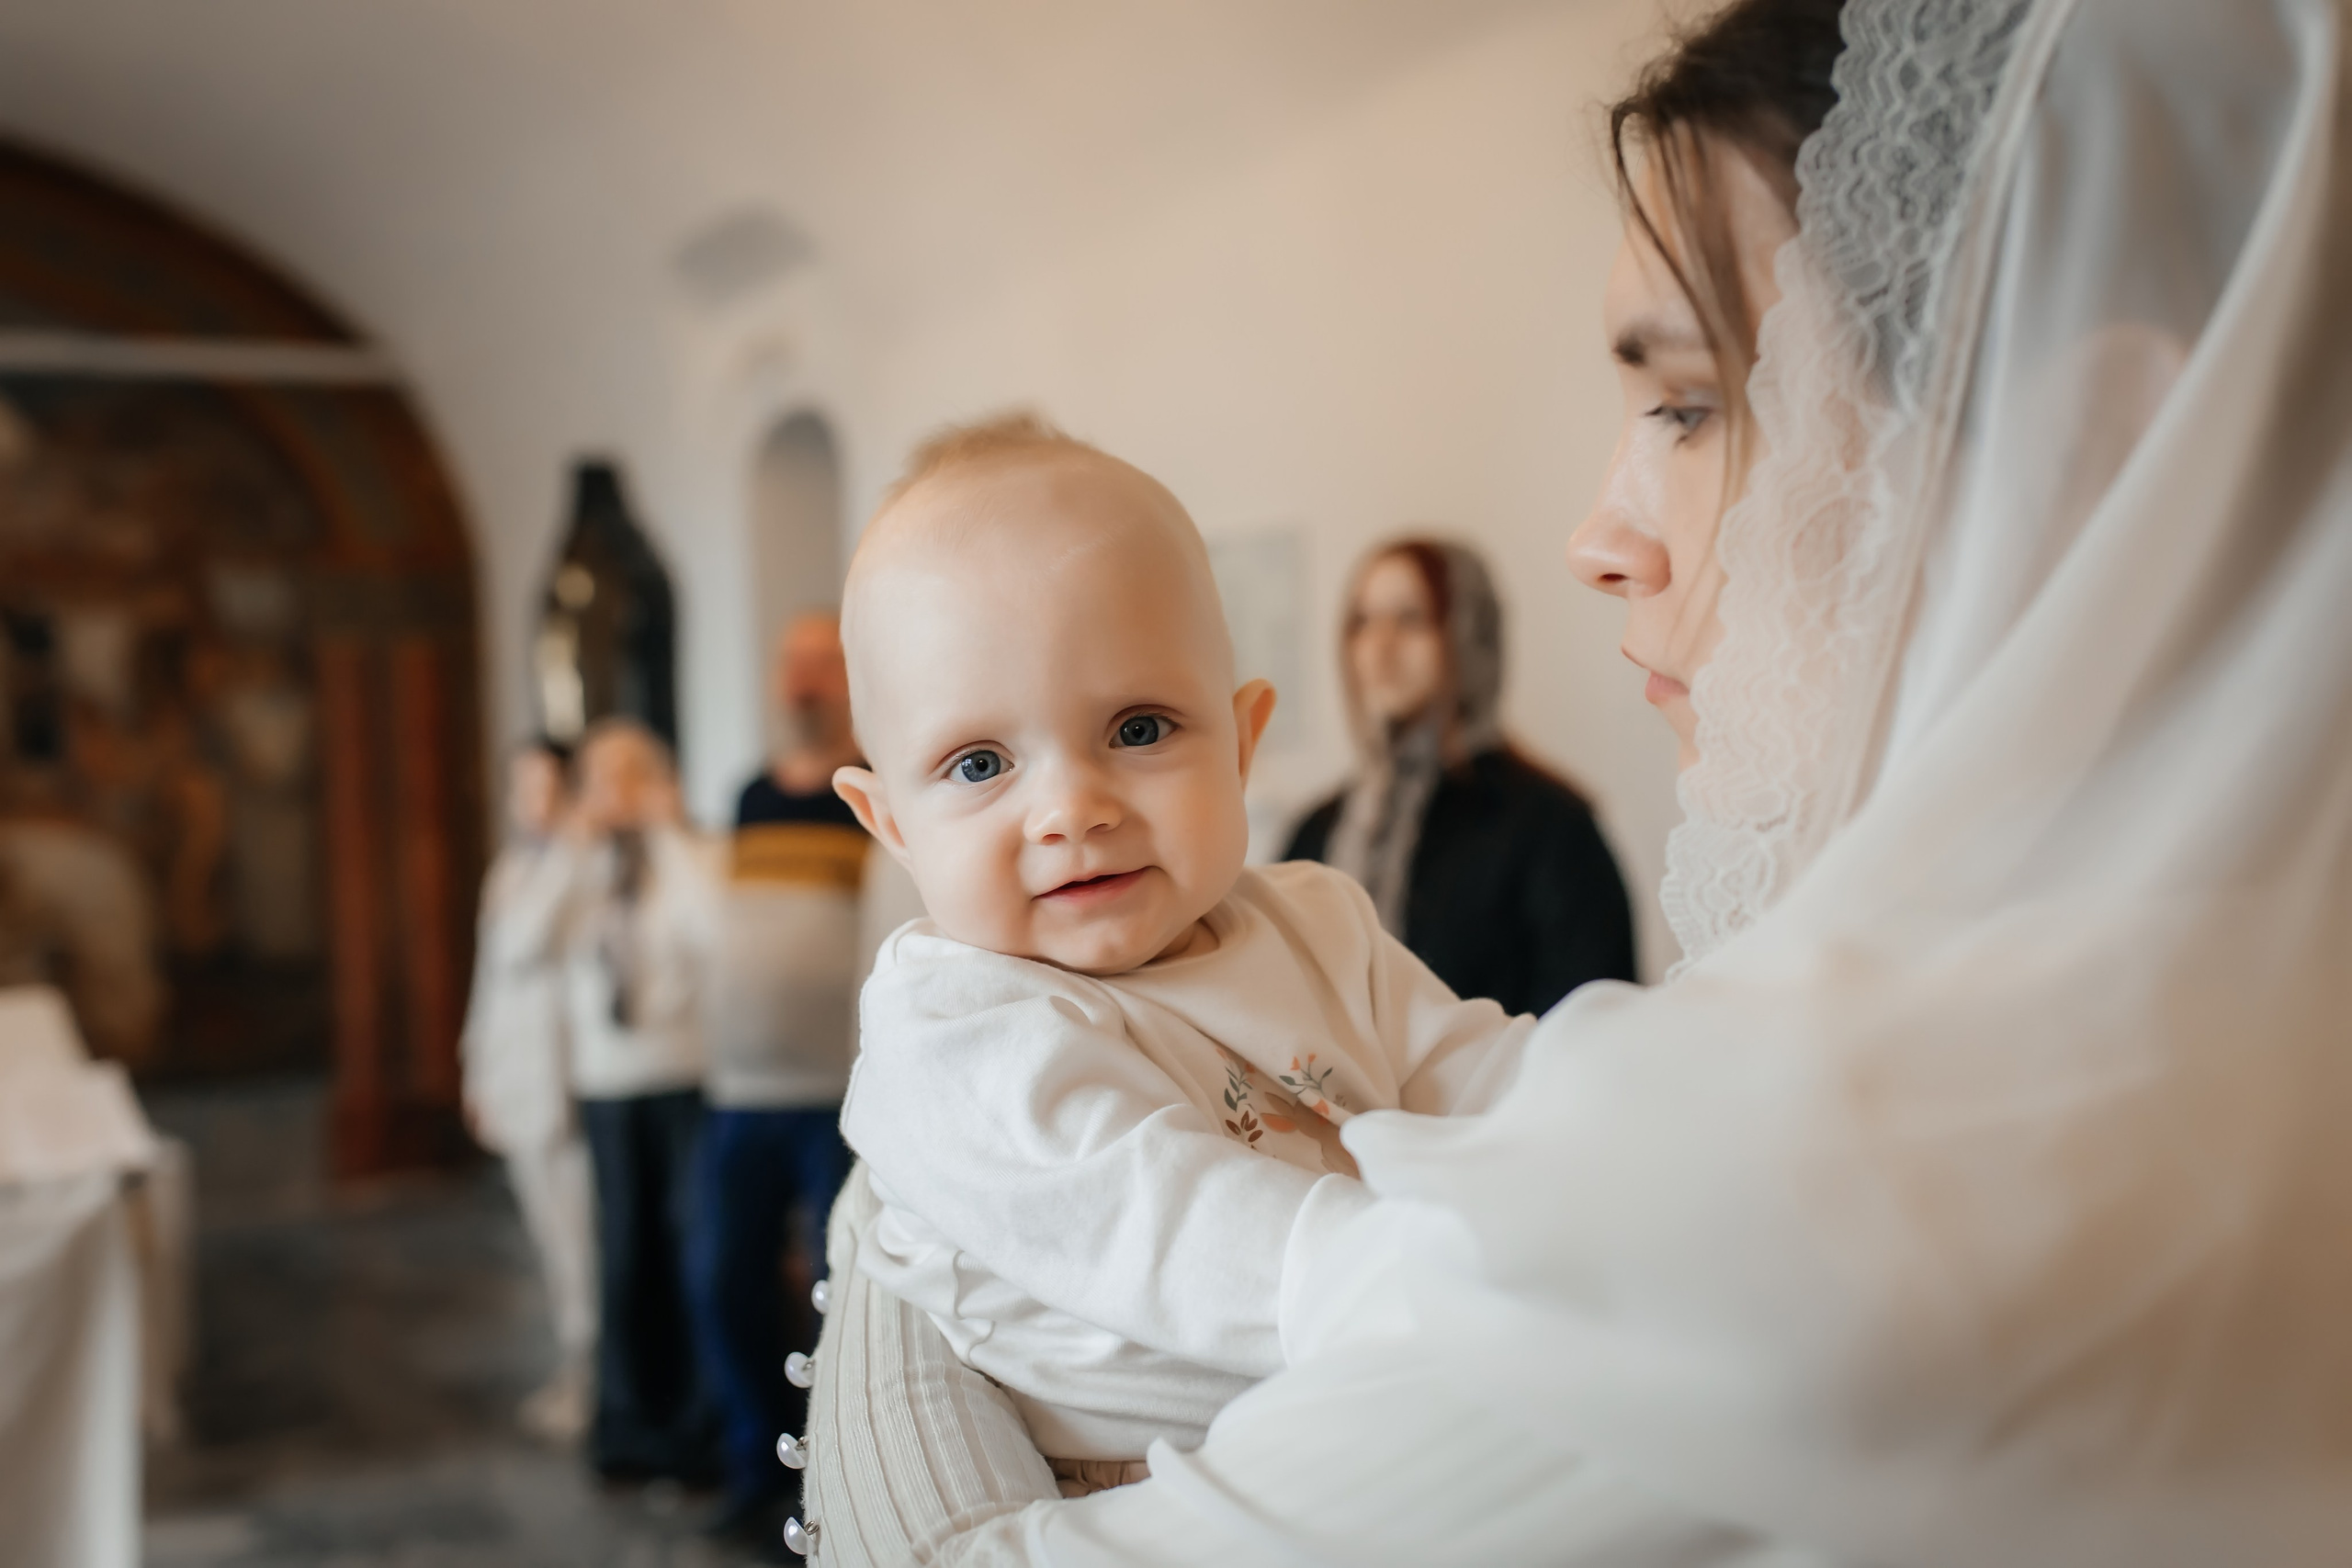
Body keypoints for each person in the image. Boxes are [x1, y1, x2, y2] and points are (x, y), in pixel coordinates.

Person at [794, 0, 2352, 1562]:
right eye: (980, 763)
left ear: (2090, 437)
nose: (1598, 536)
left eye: (1686, 401)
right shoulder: (2226, 1004)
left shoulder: (1881, 1156)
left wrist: (888, 1265)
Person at [825, 416, 1534, 1500]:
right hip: (1157, 1490)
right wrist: (1452, 1291)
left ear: (1243, 744)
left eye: (1140, 730)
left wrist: (1606, 1142)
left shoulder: (1319, 922)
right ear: (891, 826)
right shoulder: (956, 1027)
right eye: (979, 763)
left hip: (1391, 1391)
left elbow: (1489, 1082)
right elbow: (1169, 1223)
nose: (1071, 809)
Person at [688, 614, 869, 1543]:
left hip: (836, 1095)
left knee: (845, 1290)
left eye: (822, 667)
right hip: (741, 1091)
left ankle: (840, 1475)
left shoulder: (869, 790)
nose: (804, 684)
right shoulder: (750, 795)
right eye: (792, 667)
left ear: (851, 678)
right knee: (723, 1277)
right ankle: (758, 1457)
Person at [1284, 538, 1636, 1013]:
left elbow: (1594, 1025)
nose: (1380, 647)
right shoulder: (1318, 830)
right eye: (1363, 622)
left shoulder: (1549, 826)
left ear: (1470, 635)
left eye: (1411, 619)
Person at [562, 718, 723, 1485]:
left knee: (689, 1246)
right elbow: (528, 943)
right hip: (605, 1082)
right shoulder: (572, 863)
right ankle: (628, 1422)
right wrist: (576, 844)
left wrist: (665, 831)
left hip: (682, 1073)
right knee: (623, 1252)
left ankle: (699, 1426)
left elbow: (715, 931)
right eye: (600, 775)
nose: (614, 790)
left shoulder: (690, 854)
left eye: (630, 773)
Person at [459, 736, 597, 1444]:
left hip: (561, 1075)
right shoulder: (509, 867)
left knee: (579, 1236)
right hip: (511, 1067)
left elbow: (534, 941)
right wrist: (474, 1067)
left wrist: (573, 836)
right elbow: (488, 976)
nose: (530, 803)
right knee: (549, 1236)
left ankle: (594, 1373)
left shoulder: (579, 861)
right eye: (521, 788)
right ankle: (579, 1364)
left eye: (545, 787)